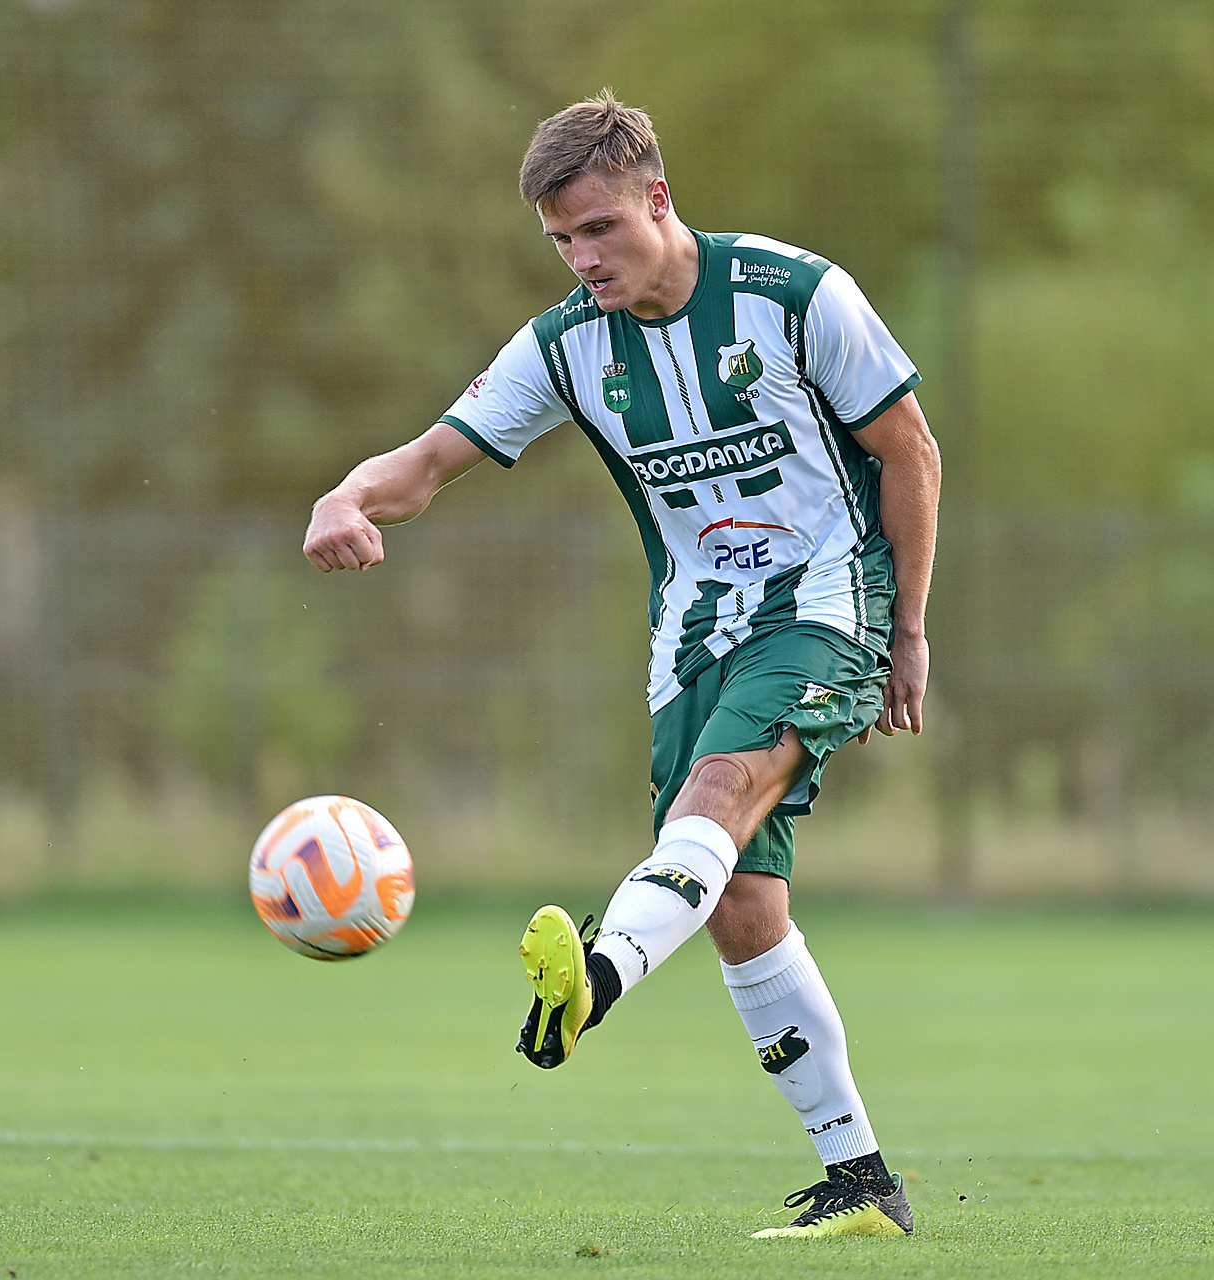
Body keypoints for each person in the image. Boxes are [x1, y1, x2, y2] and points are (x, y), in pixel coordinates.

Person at [304, 92, 939, 1238]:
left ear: (658, 197)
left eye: (599, 228)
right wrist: (345, 495)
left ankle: (594, 980)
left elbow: (911, 452)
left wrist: (909, 632)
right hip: (693, 636)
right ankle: (863, 1183)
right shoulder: (566, 345)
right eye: (562, 239)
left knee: (718, 794)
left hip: (828, 605)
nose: (583, 257)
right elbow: (429, 461)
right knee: (740, 902)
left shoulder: (797, 295)